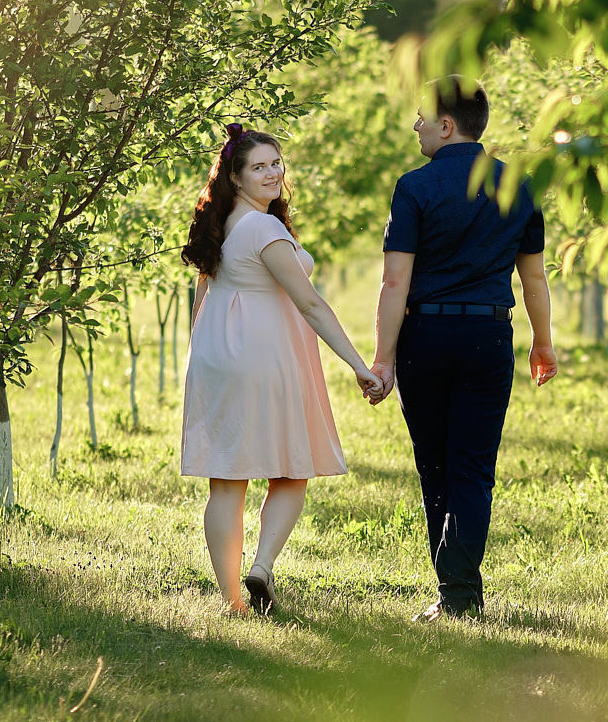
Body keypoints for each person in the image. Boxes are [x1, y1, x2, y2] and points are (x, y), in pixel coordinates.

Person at [367, 77, 558, 621]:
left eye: (422, 118)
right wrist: (542, 344)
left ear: (447, 126)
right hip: (489, 337)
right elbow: (535, 280)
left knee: (436, 467)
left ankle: (455, 593)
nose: (416, 126)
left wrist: (383, 358)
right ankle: (460, 595)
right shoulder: (519, 185)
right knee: (473, 468)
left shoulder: (414, 187)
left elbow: (394, 284)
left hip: (425, 338)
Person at [181, 123, 383, 616]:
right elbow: (310, 304)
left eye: (276, 163)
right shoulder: (263, 228)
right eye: (259, 167)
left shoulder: (223, 223)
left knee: (227, 479)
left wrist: (202, 354)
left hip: (218, 356)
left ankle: (232, 600)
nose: (272, 173)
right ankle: (262, 566)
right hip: (264, 356)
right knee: (291, 471)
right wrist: (360, 366)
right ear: (236, 177)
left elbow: (203, 297)